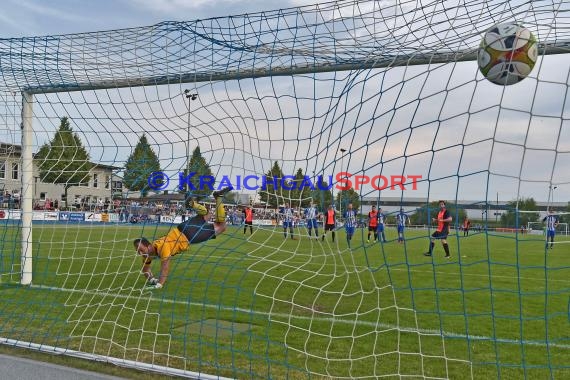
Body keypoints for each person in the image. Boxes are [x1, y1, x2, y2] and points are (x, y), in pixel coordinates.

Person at [133, 186, 232, 289]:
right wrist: (152, 279)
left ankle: (217, 197)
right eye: (137, 251)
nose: (139, 253)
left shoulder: (162, 247)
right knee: (206, 213)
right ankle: (195, 203)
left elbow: (165, 267)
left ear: (148, 246)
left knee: (222, 226)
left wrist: (160, 284)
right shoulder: (148, 254)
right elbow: (145, 269)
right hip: (182, 227)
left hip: (189, 236)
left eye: (140, 249)